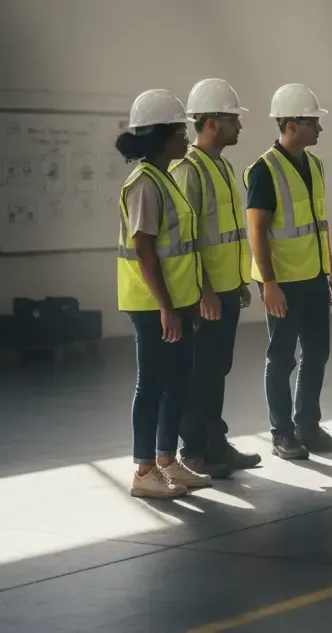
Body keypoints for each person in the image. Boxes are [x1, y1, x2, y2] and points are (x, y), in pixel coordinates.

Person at [115, 89, 212, 499]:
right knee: (152, 384)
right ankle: (143, 470)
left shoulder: (164, 178)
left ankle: (168, 461)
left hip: (178, 301)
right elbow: (143, 250)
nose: (186, 136)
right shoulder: (144, 184)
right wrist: (166, 309)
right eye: (178, 130)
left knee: (178, 381)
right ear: (160, 136)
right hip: (154, 306)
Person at [244, 83, 332, 461]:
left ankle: (308, 427)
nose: (319, 128)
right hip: (282, 282)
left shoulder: (315, 165)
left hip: (313, 278)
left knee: (317, 352)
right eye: (312, 122)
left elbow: (319, 224)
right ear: (290, 125)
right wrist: (269, 283)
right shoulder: (263, 170)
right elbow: (256, 229)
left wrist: (331, 268)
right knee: (283, 357)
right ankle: (281, 433)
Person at [170, 78, 261, 479]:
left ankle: (214, 443)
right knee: (198, 372)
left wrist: (237, 280)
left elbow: (226, 233)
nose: (239, 126)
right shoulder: (188, 170)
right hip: (203, 294)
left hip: (225, 289)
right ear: (209, 122)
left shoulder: (222, 166)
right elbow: (186, 238)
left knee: (217, 370)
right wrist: (204, 288)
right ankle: (192, 451)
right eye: (232, 119)